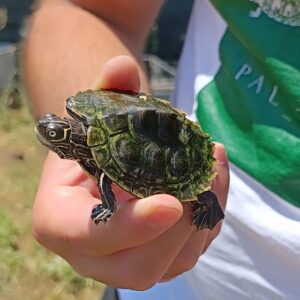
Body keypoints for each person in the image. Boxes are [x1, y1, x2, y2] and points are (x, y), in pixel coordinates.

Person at [21, 0, 300, 300]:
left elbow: (106, 177)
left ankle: (207, 202)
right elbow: (88, 10)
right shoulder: (88, 128)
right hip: (164, 280)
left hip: (191, 195)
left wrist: (108, 205)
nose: (47, 131)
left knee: (199, 195)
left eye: (53, 133)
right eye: (54, 128)